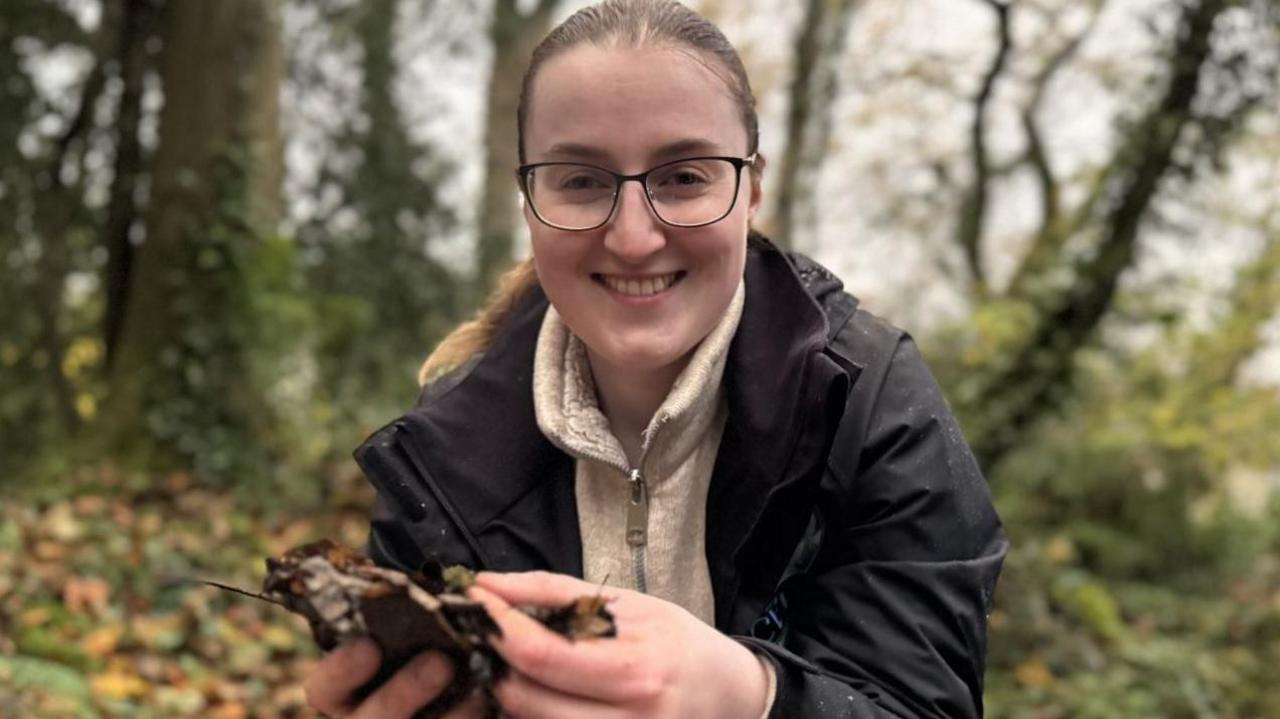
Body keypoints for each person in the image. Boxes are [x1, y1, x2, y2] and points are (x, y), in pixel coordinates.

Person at [304, 0, 1007, 716]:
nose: (634, 237)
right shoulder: (440, 455)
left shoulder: (869, 402)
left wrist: (749, 695)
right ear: (528, 199)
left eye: (684, 177)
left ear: (751, 188)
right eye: (580, 181)